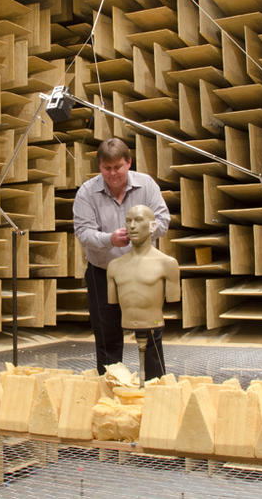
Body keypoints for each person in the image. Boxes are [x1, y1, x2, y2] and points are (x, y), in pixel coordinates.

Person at [73, 137, 170, 376]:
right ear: (100, 167)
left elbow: (164, 221)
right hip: (103, 273)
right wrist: (109, 239)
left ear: (128, 162)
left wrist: (142, 232)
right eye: (107, 169)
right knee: (106, 335)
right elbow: (83, 232)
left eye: (118, 167)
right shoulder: (87, 192)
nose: (113, 173)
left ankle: (155, 387)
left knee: (150, 334)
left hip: (143, 271)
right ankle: (111, 388)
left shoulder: (146, 185)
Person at [107, 205, 180, 380]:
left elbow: (173, 297)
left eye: (139, 220)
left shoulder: (167, 264)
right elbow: (112, 301)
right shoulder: (114, 266)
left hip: (153, 322)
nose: (132, 226)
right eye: (128, 221)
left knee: (155, 379)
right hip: (126, 322)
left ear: (153, 226)